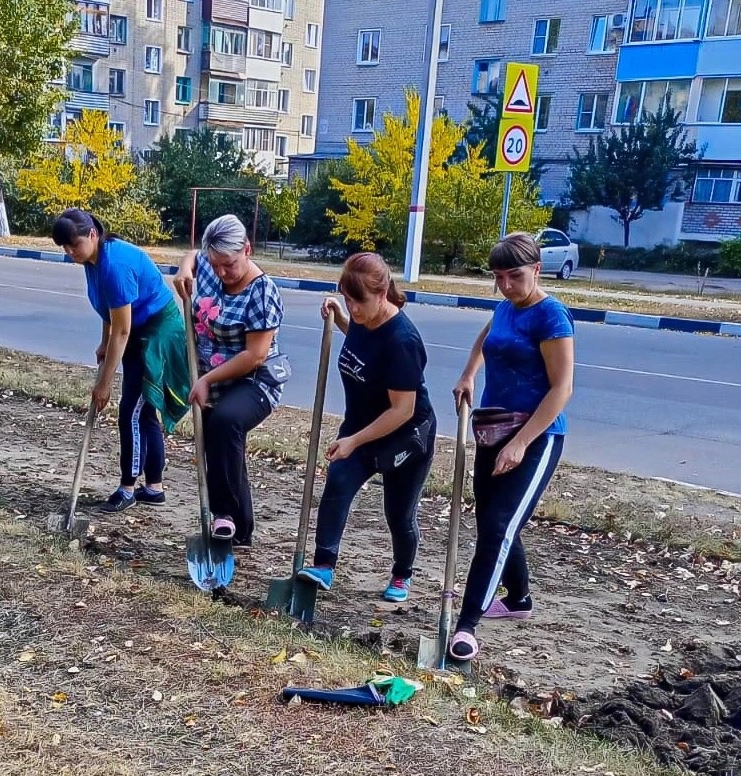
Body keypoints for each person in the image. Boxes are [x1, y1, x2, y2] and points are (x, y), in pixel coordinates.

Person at [448, 232, 575, 662]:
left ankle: (465, 625)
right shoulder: (505, 308)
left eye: (515, 276)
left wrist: (521, 444)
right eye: (498, 277)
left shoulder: (551, 316)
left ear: (537, 270)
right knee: (492, 521)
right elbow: (488, 337)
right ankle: (519, 598)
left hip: (537, 436)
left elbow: (561, 389)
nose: (505, 285)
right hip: (493, 428)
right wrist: (469, 373)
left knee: (499, 527)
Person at [296, 253, 436, 603]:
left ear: (383, 292)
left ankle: (402, 574)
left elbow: (403, 410)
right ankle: (323, 565)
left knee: (398, 514)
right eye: (347, 299)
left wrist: (354, 440)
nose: (353, 308)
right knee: (339, 481)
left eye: (358, 302)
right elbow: (363, 344)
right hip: (361, 426)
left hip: (405, 435)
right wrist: (341, 317)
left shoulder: (403, 340)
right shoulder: (361, 317)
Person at [53, 207, 189, 512]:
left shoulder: (116, 264)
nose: (69, 251)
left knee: (130, 410)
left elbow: (123, 329)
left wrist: (103, 384)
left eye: (73, 244)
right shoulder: (93, 259)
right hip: (134, 329)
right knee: (143, 412)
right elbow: (111, 311)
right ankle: (154, 489)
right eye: (64, 247)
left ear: (92, 234)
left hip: (156, 333)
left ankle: (128, 488)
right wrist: (103, 342)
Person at [174, 214, 286, 548]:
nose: (222, 272)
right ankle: (242, 531)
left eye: (230, 264)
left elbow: (256, 355)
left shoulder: (262, 292)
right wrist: (184, 268)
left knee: (225, 423)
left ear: (247, 250)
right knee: (223, 448)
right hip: (213, 376)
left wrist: (207, 378)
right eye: (216, 264)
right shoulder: (209, 263)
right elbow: (194, 254)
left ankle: (223, 514)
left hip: (256, 380)